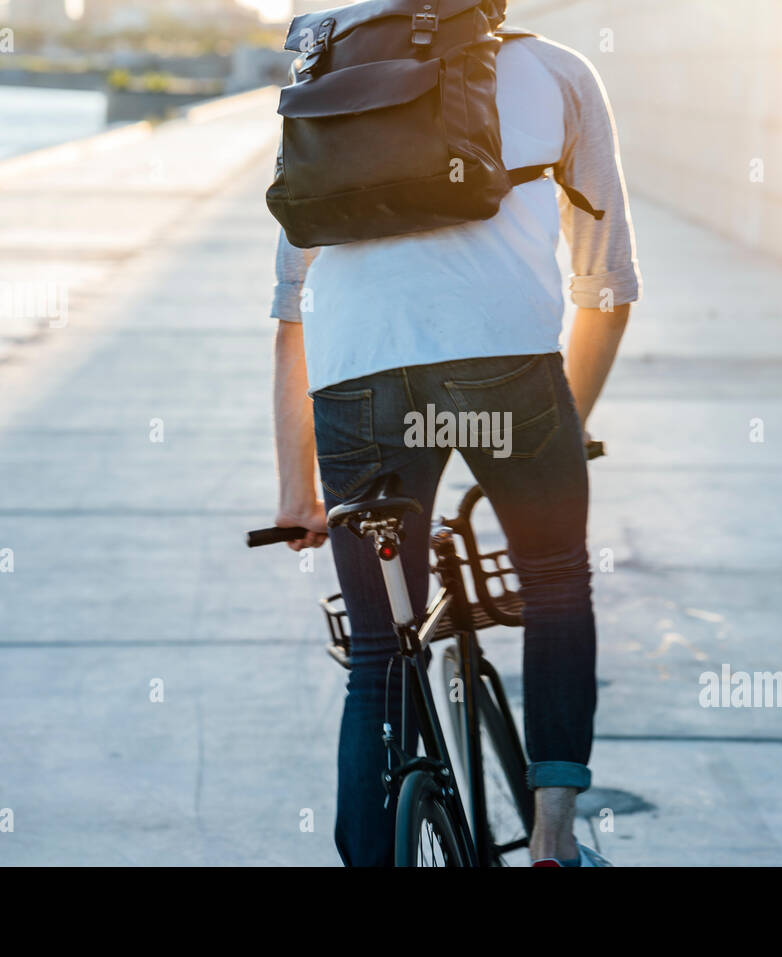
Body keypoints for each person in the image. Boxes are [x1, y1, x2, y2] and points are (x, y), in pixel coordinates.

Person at [268, 29, 640, 867]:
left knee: (377, 648)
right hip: (505, 375)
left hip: (355, 382)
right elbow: (607, 283)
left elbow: (293, 307)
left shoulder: (325, 76)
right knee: (552, 581)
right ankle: (552, 839)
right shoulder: (555, 70)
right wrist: (563, 427)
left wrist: (298, 489)